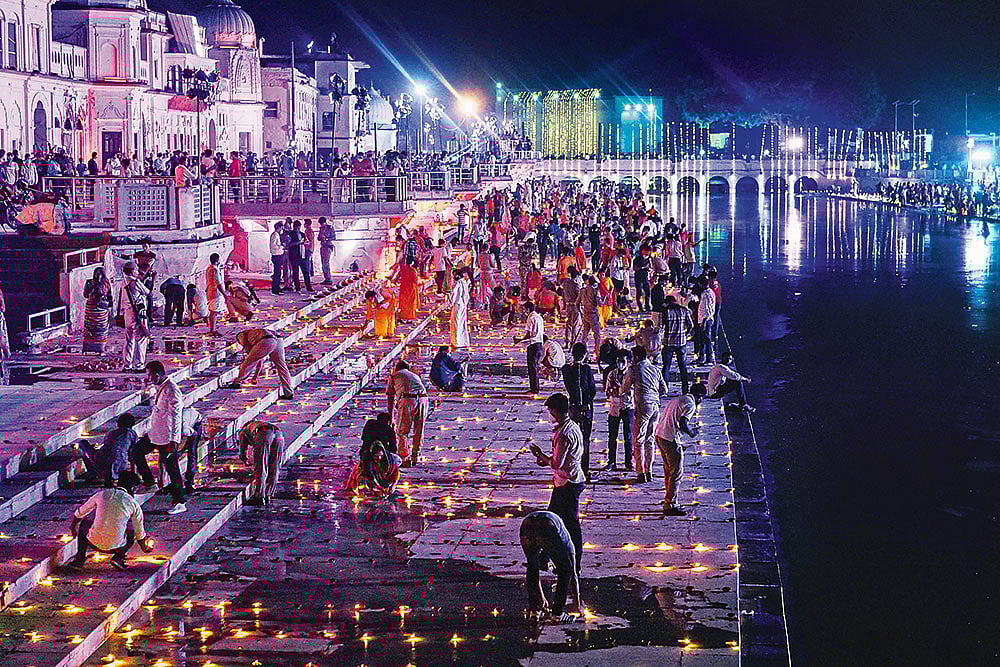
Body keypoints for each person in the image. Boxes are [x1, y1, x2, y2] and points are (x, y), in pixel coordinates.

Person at [530, 393, 586, 574]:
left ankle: (574, 564)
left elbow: (557, 463)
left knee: (570, 525)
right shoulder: (572, 426)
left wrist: (541, 457)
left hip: (568, 482)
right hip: (566, 480)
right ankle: (544, 559)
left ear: (555, 410)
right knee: (550, 520)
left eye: (549, 410)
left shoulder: (563, 434)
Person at [66, 471, 153, 571]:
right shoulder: (133, 503)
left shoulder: (102, 494)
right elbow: (140, 533)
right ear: (133, 488)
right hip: (116, 547)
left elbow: (79, 513)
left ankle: (79, 560)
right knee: (131, 533)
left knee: (84, 523)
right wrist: (144, 547)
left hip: (93, 542)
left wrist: (73, 527)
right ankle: (118, 557)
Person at [134, 361, 187, 515]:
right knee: (136, 451)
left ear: (157, 374)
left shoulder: (172, 390)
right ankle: (150, 482)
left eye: (150, 374)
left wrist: (174, 439)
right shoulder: (161, 386)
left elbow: (176, 416)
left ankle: (180, 501)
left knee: (172, 469)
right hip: (155, 434)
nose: (149, 378)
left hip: (167, 438)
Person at [654, 383, 707, 516]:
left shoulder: (679, 399)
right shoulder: (691, 404)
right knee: (676, 472)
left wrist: (690, 430)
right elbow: (683, 423)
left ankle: (670, 500)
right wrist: (691, 433)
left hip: (660, 435)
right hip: (670, 439)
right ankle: (670, 504)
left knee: (669, 471)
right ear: (699, 396)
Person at [520, 511, 583, 621]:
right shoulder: (568, 546)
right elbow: (573, 575)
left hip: (527, 524)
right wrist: (578, 605)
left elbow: (534, 571)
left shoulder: (560, 542)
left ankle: (534, 611)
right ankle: (557, 613)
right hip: (546, 525)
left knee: (532, 566)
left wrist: (542, 599)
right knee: (566, 569)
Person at [621, 345, 668, 484]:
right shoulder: (655, 368)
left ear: (635, 357)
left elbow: (624, 388)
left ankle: (641, 472)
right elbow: (664, 389)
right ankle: (650, 471)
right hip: (655, 406)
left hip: (643, 406)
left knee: (638, 440)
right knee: (650, 439)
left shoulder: (634, 370)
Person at [561, 342, 596, 476]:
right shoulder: (586, 369)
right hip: (584, 407)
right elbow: (592, 389)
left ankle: (573, 467)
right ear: (585, 354)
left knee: (574, 438)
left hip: (573, 406)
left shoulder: (566, 369)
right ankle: (584, 469)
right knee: (584, 438)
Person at [346, 412, 401, 498]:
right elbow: (393, 446)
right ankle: (371, 489)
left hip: (373, 451)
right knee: (366, 472)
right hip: (372, 453)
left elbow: (363, 438)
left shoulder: (370, 424)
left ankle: (378, 488)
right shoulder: (388, 429)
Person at [229, 328, 295, 400]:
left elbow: (253, 359)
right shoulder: (254, 333)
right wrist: (255, 377)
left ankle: (237, 382)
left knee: (246, 364)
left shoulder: (240, 336)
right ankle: (289, 393)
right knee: (282, 367)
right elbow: (259, 358)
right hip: (278, 339)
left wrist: (255, 376)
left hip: (267, 340)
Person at [385, 360, 428, 467]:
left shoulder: (394, 375)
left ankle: (404, 458)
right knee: (419, 429)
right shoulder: (414, 375)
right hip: (424, 399)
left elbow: (390, 397)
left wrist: (391, 417)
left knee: (402, 431)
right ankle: (415, 456)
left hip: (408, 400)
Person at [78, 413, 138, 487]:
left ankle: (92, 473)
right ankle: (96, 474)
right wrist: (133, 474)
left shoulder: (111, 433)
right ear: (132, 425)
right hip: (120, 467)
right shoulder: (132, 434)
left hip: (101, 462)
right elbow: (133, 454)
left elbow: (108, 449)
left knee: (82, 443)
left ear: (118, 424)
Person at [238, 420, 285, 505]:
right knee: (275, 467)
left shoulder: (243, 431)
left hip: (264, 434)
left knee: (261, 466)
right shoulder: (257, 424)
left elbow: (242, 452)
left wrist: (245, 461)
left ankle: (259, 496)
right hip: (279, 435)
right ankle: (268, 495)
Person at [604, 349, 634, 471]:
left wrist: (619, 390)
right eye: (618, 361)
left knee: (628, 436)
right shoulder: (612, 374)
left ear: (628, 362)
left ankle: (628, 462)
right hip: (614, 408)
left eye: (622, 361)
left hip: (628, 407)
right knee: (612, 436)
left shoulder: (632, 374)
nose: (620, 364)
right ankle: (611, 461)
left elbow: (632, 391)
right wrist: (621, 390)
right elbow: (608, 391)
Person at [118, 262, 150, 372]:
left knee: (129, 339)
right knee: (141, 338)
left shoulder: (123, 282)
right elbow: (147, 292)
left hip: (128, 314)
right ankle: (139, 365)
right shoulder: (135, 282)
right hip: (138, 314)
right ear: (133, 271)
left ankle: (127, 364)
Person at [662, 295, 693, 390]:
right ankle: (685, 388)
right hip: (681, 343)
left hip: (669, 343)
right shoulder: (684, 310)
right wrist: (685, 334)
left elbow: (660, 327)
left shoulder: (666, 312)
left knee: (666, 366)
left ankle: (665, 388)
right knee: (683, 367)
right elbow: (691, 325)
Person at [514, 300, 545, 394]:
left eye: (524, 309)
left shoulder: (531, 318)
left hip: (533, 345)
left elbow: (529, 334)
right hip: (540, 344)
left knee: (532, 369)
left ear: (528, 309)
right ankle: (535, 388)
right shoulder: (539, 317)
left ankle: (534, 389)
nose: (523, 312)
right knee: (535, 368)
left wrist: (519, 340)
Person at [82, 267, 112, 353]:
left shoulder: (89, 283)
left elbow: (85, 295)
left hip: (90, 309)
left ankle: (86, 349)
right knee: (101, 329)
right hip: (102, 309)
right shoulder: (106, 283)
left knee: (89, 328)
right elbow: (110, 298)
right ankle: (100, 350)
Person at [180, 406, 203, 495]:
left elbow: (194, 434)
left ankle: (190, 480)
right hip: (188, 418)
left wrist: (183, 449)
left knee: (192, 451)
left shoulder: (184, 429)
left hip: (196, 424)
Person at [577, 275, 602, 354]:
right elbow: (600, 304)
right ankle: (597, 352)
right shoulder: (595, 291)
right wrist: (604, 299)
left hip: (585, 314)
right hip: (593, 315)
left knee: (585, 334)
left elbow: (577, 303)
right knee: (597, 335)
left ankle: (582, 351)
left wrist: (581, 312)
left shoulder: (582, 290)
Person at [287, 220, 313, 292]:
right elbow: (289, 245)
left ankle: (309, 287)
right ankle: (297, 287)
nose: (298, 229)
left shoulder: (302, 234)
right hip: (294, 256)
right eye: (296, 228)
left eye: (299, 228)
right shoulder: (290, 234)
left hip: (303, 255)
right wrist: (297, 243)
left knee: (306, 271)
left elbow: (304, 242)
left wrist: (306, 244)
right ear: (294, 227)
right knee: (295, 272)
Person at [449, 267, 471, 349]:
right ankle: (463, 341)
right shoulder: (465, 282)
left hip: (457, 305)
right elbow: (466, 296)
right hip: (463, 305)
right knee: (462, 323)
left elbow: (453, 294)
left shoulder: (458, 283)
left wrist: (451, 303)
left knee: (456, 323)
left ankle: (456, 342)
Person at [205, 253, 226, 336]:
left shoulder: (209, 268)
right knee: (214, 312)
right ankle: (212, 330)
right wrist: (224, 294)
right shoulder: (214, 270)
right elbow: (218, 283)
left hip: (210, 292)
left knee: (212, 312)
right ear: (217, 260)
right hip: (215, 293)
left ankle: (212, 329)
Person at [696, 279, 716, 364]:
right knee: (703, 340)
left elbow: (707, 309)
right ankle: (701, 357)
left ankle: (709, 358)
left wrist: (704, 321)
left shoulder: (707, 294)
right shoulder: (708, 292)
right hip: (705, 320)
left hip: (706, 320)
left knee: (707, 340)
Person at [317, 217, 336, 285]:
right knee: (323, 263)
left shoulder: (330, 228)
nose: (321, 225)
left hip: (328, 246)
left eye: (322, 223)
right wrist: (321, 238)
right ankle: (326, 278)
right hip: (323, 246)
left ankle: (328, 278)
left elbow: (334, 237)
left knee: (326, 263)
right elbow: (318, 238)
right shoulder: (321, 229)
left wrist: (327, 239)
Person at [270, 220, 286, 295]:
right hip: (276, 255)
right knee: (277, 273)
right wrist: (282, 246)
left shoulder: (276, 234)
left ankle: (277, 288)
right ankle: (275, 289)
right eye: (281, 228)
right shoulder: (275, 235)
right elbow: (273, 246)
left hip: (278, 255)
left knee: (279, 273)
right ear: (279, 227)